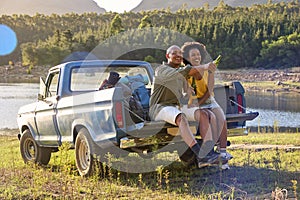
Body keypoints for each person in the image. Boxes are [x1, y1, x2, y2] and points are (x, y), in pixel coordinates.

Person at [149, 45, 220, 168]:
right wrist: (204, 66)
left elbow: (181, 96)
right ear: (167, 56)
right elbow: (184, 71)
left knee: (203, 114)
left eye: (180, 53)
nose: (178, 55)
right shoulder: (161, 70)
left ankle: (208, 152)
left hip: (176, 106)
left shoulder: (181, 76)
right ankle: (199, 153)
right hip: (159, 108)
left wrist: (188, 95)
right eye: (174, 53)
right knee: (181, 117)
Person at [181, 41, 233, 169]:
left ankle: (223, 153)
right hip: (192, 102)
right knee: (211, 119)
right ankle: (210, 154)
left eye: (198, 54)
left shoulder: (208, 70)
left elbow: (209, 91)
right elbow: (185, 90)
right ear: (187, 57)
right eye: (193, 55)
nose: (196, 57)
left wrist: (200, 103)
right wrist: (195, 103)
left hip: (208, 99)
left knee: (221, 119)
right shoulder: (186, 71)